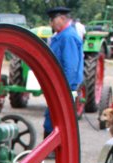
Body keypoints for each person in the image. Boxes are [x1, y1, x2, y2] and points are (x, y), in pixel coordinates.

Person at [44, 6, 83, 140]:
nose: (51, 23)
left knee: (55, 120)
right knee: (53, 118)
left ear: (62, 18)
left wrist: (63, 89)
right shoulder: (61, 36)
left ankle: (53, 148)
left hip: (64, 87)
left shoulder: (67, 37)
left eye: (52, 20)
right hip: (59, 86)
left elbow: (70, 67)